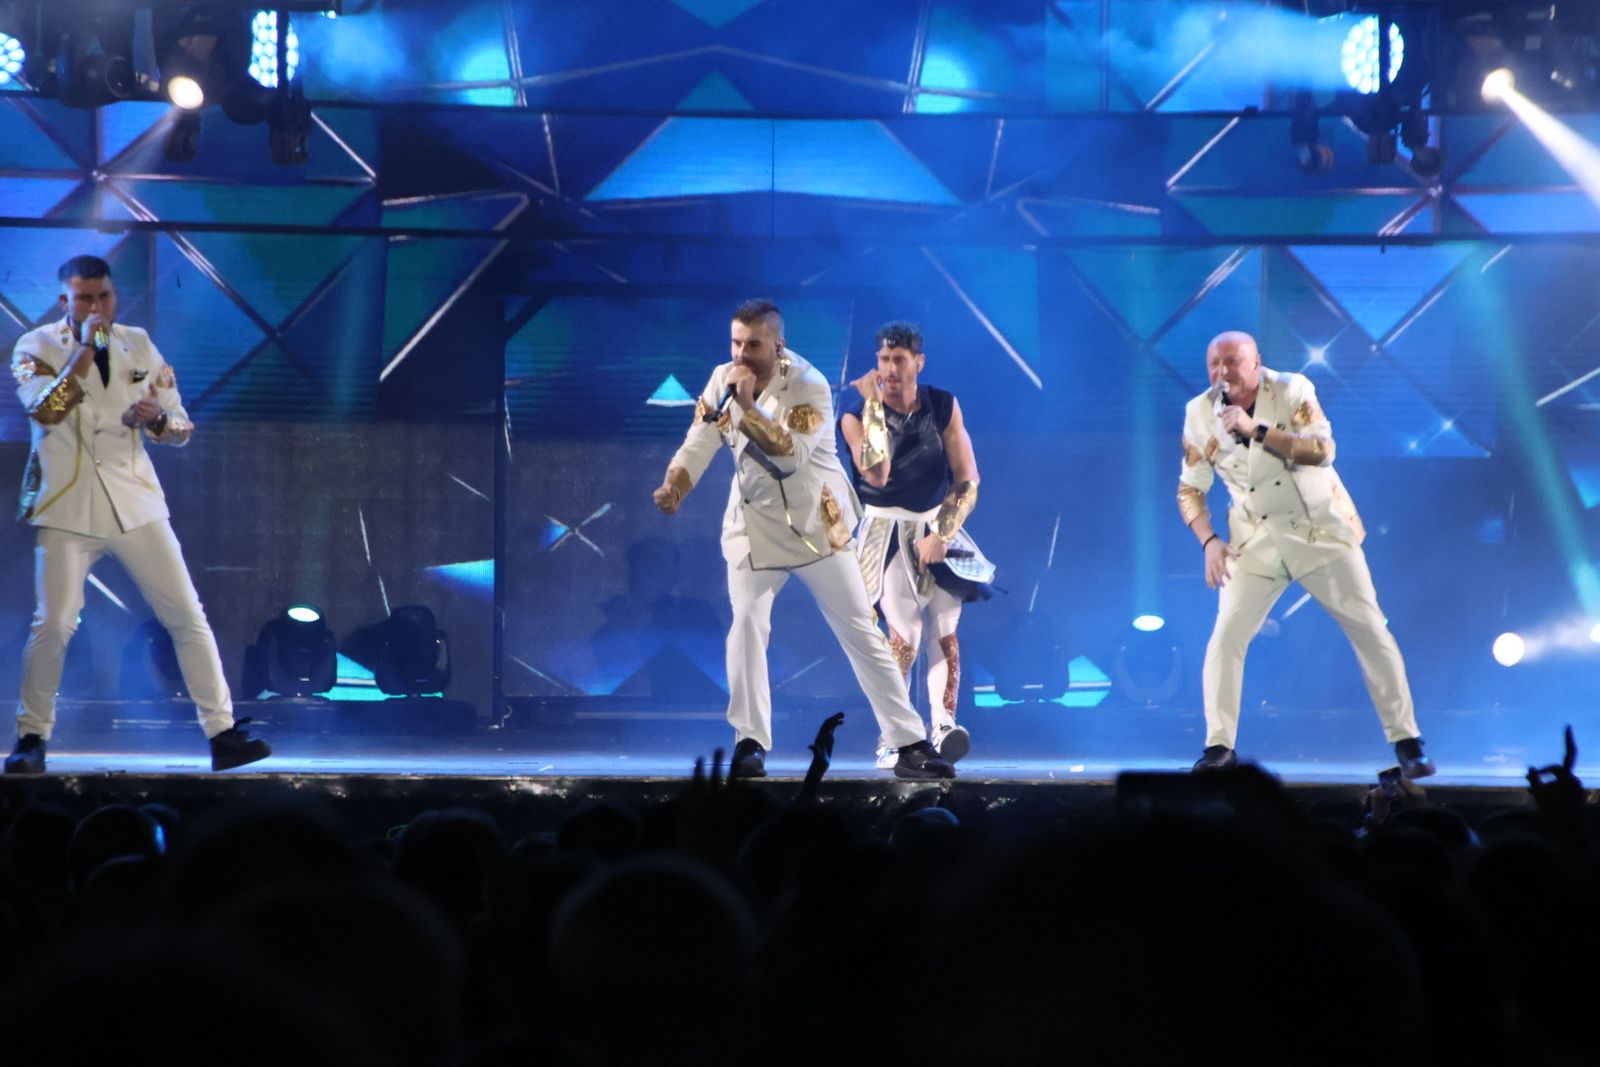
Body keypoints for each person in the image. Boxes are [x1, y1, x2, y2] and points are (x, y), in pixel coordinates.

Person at [653, 299, 954, 780]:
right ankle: (749, 743)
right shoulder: (720, 381)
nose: (741, 353)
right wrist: (676, 483)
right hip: (753, 529)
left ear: (778, 344)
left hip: (816, 527)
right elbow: (701, 437)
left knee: (860, 630)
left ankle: (910, 742)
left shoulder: (809, 387)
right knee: (747, 627)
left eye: (752, 344)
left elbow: (789, 456)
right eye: (735, 342)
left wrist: (748, 406)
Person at [3, 255, 270, 775]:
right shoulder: (34, 347)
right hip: (67, 503)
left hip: (135, 501)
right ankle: (32, 736)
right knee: (54, 623)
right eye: (85, 299)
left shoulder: (139, 343)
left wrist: (158, 420)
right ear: (66, 301)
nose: (97, 307)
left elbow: (181, 425)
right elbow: (46, 411)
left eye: (104, 297)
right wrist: (85, 349)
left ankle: (222, 734)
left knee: (186, 614)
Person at [1178, 330, 1433, 777]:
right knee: (1226, 637)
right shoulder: (1199, 413)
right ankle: (1219, 747)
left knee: (1370, 628)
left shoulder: (1293, 389)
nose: (1222, 373)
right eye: (1214, 364)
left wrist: (1254, 428)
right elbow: (1189, 488)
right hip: (1254, 539)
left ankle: (1407, 741)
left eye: (1232, 363)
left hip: (1319, 531)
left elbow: (1321, 449)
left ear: (1256, 362)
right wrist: (1209, 541)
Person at [839, 321, 992, 768]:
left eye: (899, 360)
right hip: (885, 529)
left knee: (944, 628)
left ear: (917, 363)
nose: (889, 369)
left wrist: (942, 534)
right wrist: (871, 407)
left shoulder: (942, 405)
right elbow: (876, 473)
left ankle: (943, 726)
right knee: (904, 632)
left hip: (935, 522)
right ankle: (894, 736)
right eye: (883, 360)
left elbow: (968, 479)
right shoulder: (852, 413)